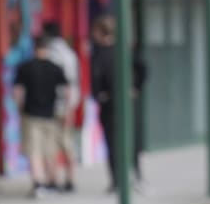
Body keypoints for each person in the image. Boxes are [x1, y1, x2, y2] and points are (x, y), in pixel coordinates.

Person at [91, 15, 148, 192]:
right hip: (123, 101)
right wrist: (135, 87)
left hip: (112, 103)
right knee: (127, 139)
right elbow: (143, 68)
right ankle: (133, 175)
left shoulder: (102, 54)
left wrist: (99, 95)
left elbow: (96, 79)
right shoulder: (124, 50)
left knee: (114, 141)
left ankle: (119, 179)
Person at [14, 36, 70, 198]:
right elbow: (66, 92)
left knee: (34, 151)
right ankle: (52, 180)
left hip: (31, 114)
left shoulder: (25, 67)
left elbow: (17, 92)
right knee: (50, 150)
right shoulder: (56, 68)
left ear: (34, 48)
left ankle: (38, 182)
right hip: (51, 115)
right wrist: (65, 111)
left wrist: (19, 109)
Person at [42, 22, 80, 192]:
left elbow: (65, 84)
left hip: (55, 104)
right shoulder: (70, 54)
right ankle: (70, 179)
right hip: (67, 104)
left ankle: (53, 179)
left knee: (51, 143)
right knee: (66, 142)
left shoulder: (52, 54)